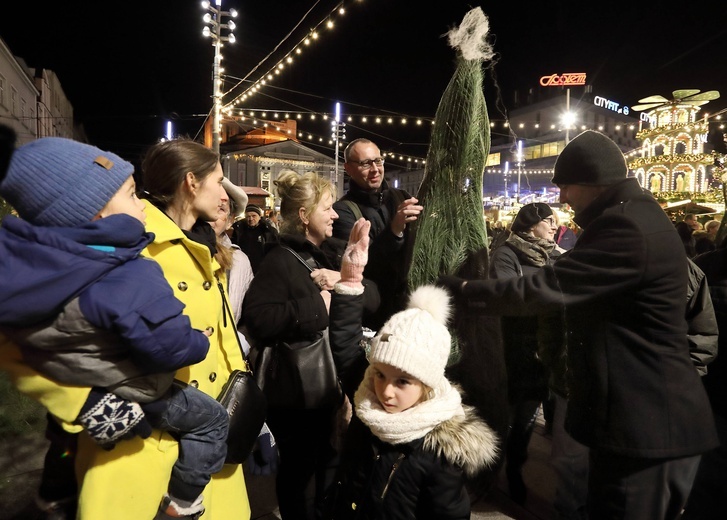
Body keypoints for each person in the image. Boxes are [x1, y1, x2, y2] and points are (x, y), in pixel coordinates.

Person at [439, 130, 719, 519]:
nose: (562, 198)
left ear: (592, 179)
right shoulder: (633, 215)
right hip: (647, 424)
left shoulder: (625, 226)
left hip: (644, 428)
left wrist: (465, 289)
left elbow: (547, 287)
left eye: (565, 185)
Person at [0, 136, 253, 519]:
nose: (225, 192)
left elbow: (219, 338)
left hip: (205, 445)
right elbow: (18, 344)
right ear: (191, 182)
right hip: (140, 445)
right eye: (218, 180)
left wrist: (250, 416)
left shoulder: (206, 242)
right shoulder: (124, 243)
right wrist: (83, 404)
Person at [324, 223, 499, 518]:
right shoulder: (369, 397)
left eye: (403, 381)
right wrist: (351, 282)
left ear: (427, 384)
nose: (386, 391)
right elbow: (344, 347)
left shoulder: (439, 453)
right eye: (380, 374)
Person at [242, 170, 344, 520]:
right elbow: (258, 318)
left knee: (324, 467)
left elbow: (369, 296)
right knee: (300, 476)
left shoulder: (326, 255)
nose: (335, 215)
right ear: (304, 216)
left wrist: (346, 280)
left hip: (323, 388)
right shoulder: (281, 259)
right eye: (328, 208)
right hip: (297, 395)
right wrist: (317, 307)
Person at [489, 202, 560, 504]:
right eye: (549, 221)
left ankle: (515, 470)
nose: (555, 226)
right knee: (501, 416)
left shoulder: (554, 256)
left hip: (540, 354)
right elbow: (509, 295)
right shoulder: (506, 253)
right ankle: (489, 472)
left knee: (526, 421)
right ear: (532, 225)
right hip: (509, 350)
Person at [332, 137, 423, 331]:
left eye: (378, 161)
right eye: (365, 163)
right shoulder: (343, 211)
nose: (375, 169)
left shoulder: (402, 198)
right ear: (348, 169)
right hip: (372, 317)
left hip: (410, 310)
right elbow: (356, 268)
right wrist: (394, 231)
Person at [231, 203, 279, 273]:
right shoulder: (239, 230)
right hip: (243, 268)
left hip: (262, 269)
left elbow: (275, 252)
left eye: (254, 216)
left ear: (259, 216)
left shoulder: (268, 231)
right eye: (248, 216)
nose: (251, 219)